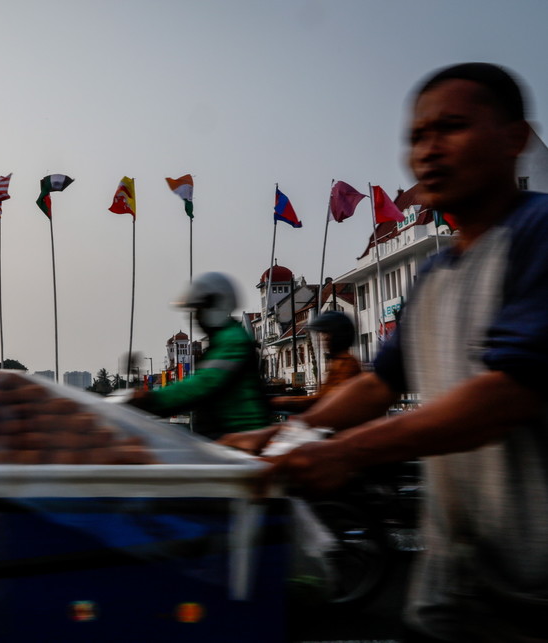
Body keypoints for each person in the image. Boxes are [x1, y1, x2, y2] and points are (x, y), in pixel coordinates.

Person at [224, 63, 547, 642]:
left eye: (451, 128)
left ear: (514, 138)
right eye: (418, 137)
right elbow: (380, 385)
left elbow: (507, 393)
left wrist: (346, 452)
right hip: (452, 587)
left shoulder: (538, 235)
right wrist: (281, 439)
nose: (428, 151)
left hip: (535, 590)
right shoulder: (435, 276)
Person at [128, 272, 270, 439]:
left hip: (240, 437)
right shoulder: (220, 340)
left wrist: (151, 400)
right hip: (223, 438)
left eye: (199, 310)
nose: (195, 317)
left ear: (214, 305)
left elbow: (202, 384)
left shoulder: (233, 341)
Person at [269, 311, 361, 413]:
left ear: (338, 336)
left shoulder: (346, 365)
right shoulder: (337, 363)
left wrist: (284, 401)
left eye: (326, 334)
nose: (323, 339)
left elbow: (325, 401)